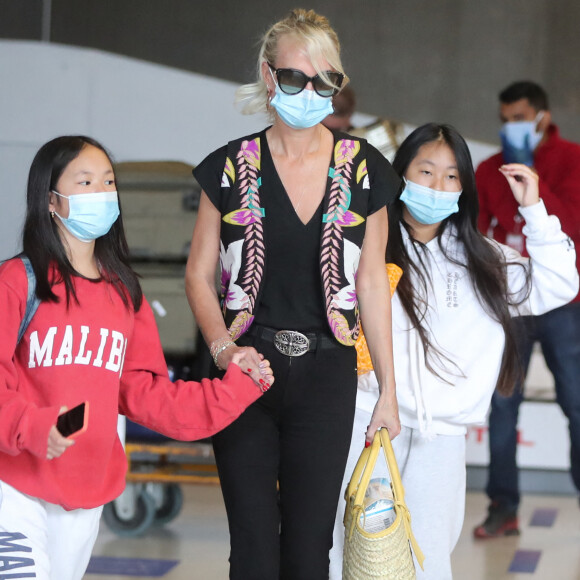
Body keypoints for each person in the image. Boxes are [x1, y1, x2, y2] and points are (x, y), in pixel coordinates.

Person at [184, 8, 401, 579]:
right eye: (295, 78)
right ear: (268, 74)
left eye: (324, 80)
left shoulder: (366, 170)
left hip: (327, 373)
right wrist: (223, 350)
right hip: (243, 370)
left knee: (309, 553)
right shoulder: (229, 166)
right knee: (252, 552)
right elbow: (198, 273)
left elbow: (372, 281)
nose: (309, 91)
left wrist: (388, 389)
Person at [0, 135, 273, 580]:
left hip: (85, 492)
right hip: (13, 484)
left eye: (108, 182)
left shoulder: (124, 294)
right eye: (85, 182)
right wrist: (32, 428)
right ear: (51, 200)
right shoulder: (18, 282)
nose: (102, 193)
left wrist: (237, 387)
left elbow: (148, 394)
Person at [329, 123, 579, 579]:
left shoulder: (486, 262)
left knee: (427, 563)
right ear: (400, 173)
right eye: (425, 171)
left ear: (463, 188)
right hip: (362, 427)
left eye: (450, 177)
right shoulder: (363, 249)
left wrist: (535, 210)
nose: (437, 186)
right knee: (347, 556)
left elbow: (561, 284)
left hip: (439, 441)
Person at [474, 81, 580, 538]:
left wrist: (532, 188)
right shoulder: (486, 169)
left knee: (577, 404)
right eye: (504, 118)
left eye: (519, 117)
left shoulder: (573, 159)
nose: (510, 126)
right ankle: (502, 506)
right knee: (501, 406)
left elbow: (572, 228)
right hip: (511, 302)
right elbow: (475, 234)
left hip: (561, 303)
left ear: (541, 116)